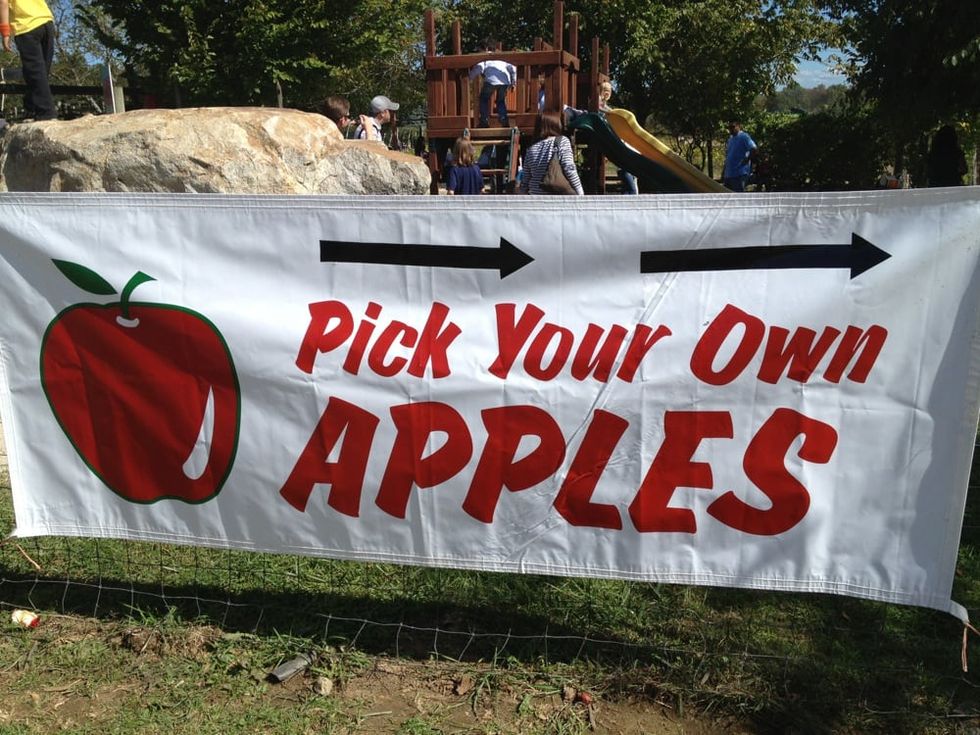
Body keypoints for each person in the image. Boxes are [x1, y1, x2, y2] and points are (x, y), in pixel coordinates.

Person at [0, 0, 56, 121]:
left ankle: (45, 112)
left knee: (35, 71)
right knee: (42, 70)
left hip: (26, 27)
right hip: (46, 22)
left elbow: (3, 3)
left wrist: (5, 33)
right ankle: (31, 107)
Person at [520, 111, 583, 195]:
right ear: (556, 125)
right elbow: (569, 168)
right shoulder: (562, 141)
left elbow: (525, 180)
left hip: (535, 198)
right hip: (556, 198)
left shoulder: (531, 149)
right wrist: (580, 192)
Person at [468, 39, 516, 128]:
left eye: (479, 50)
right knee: (500, 100)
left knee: (483, 98)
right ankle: (503, 119)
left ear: (485, 48)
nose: (479, 52)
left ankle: (484, 120)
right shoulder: (501, 57)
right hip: (505, 80)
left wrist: (469, 78)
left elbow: (479, 68)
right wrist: (513, 82)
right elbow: (512, 68)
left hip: (491, 80)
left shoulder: (485, 57)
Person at [722, 119, 757, 192]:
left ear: (738, 126)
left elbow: (753, 148)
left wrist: (747, 159)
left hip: (739, 173)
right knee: (727, 197)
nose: (731, 129)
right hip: (729, 174)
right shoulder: (730, 139)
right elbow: (728, 155)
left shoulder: (744, 136)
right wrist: (724, 170)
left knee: (738, 195)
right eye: (729, 127)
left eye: (733, 127)